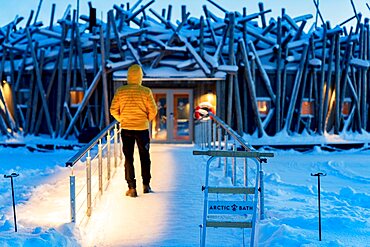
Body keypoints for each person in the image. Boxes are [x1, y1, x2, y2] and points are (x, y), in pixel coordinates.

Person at [110, 64, 157, 197]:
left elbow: (113, 109)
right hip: (142, 129)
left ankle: (131, 188)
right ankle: (146, 184)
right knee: (145, 156)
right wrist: (145, 119)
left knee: (128, 158)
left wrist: (122, 119)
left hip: (126, 129)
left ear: (128, 76)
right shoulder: (146, 91)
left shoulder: (120, 91)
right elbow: (153, 110)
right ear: (140, 77)